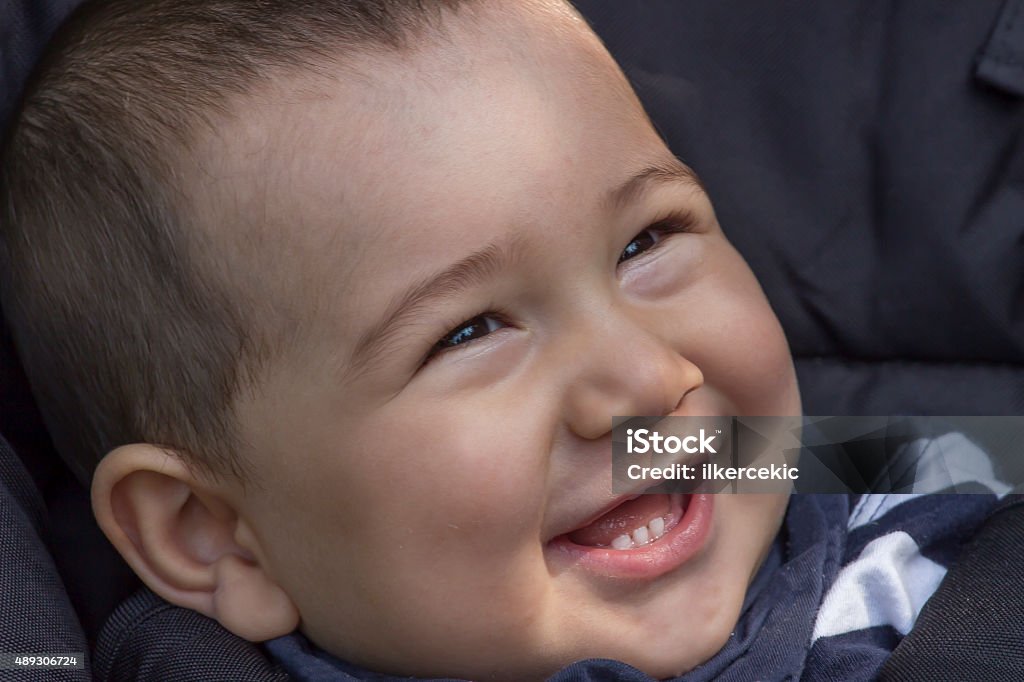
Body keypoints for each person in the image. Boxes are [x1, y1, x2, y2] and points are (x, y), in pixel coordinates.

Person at [0, 1, 1007, 679]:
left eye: (646, 240)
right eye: (471, 330)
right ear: (210, 531)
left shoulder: (878, 484)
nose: (648, 379)